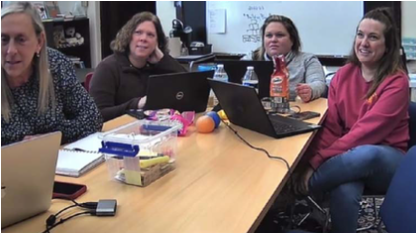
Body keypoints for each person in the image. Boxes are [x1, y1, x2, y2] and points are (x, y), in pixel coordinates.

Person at [295, 8, 409, 232]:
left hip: (386, 160)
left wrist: (314, 164)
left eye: (373, 37)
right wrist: (312, 158)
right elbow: (331, 129)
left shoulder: (397, 81)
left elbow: (365, 133)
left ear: (388, 46)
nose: (364, 42)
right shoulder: (343, 74)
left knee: (367, 153)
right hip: (347, 159)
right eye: (360, 34)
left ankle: (297, 189)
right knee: (344, 187)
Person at [1, 2, 103, 146]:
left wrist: (50, 139)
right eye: (3, 39)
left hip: (57, 159)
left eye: (21, 39)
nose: (10, 51)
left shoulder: (55, 64)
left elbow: (92, 118)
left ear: (39, 42)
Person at [90, 12, 187, 121]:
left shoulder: (159, 66)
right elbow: (97, 115)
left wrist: (164, 60)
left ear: (157, 43)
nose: (143, 38)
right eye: (138, 33)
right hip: (118, 133)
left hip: (155, 131)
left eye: (150, 35)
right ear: (128, 36)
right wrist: (137, 104)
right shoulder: (107, 68)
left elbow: (189, 88)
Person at [245, 15, 327, 102]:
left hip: (294, 111)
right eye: (269, 35)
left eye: (279, 35)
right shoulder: (251, 58)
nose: (273, 40)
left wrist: (310, 90)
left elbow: (320, 84)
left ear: (292, 40)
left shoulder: (307, 60)